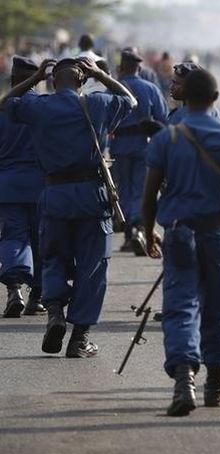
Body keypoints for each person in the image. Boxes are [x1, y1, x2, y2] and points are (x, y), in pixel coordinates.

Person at [143, 68, 220, 416]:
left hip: (179, 232)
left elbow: (150, 193)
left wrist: (148, 230)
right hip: (218, 231)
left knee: (181, 305)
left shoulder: (166, 137)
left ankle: (184, 383)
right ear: (215, 99)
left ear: (185, 97)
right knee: (219, 306)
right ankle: (215, 387)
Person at [0, 57, 136, 357]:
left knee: (53, 258)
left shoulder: (39, 107)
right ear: (82, 80)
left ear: (51, 81)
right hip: (91, 196)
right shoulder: (97, 104)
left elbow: (6, 102)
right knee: (92, 266)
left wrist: (34, 77)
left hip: (55, 195)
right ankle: (80, 338)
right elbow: (130, 100)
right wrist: (100, 73)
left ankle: (55, 314)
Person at [111, 48, 168, 255]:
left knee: (123, 190)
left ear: (122, 66)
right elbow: (163, 120)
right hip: (144, 147)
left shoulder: (114, 88)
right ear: (138, 67)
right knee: (141, 191)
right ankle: (137, 227)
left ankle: (130, 231)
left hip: (119, 147)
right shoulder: (150, 88)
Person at [0, 57, 45, 317]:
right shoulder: (44, 108)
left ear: (12, 80)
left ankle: (14, 289)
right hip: (41, 185)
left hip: (8, 185)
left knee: (13, 236)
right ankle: (36, 296)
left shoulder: (3, 110)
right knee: (42, 241)